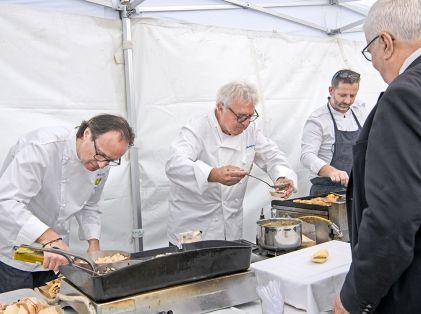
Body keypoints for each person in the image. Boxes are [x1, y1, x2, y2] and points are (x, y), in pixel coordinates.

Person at [333, 0, 421, 313]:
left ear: (385, 42)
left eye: (369, 51)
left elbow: (392, 220)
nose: (372, 63)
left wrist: (354, 298)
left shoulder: (405, 94)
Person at [0, 114, 135, 292]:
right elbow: (7, 201)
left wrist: (94, 246)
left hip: (55, 255)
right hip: (15, 251)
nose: (102, 165)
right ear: (87, 133)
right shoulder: (41, 147)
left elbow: (90, 205)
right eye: (101, 155)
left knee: (53, 306)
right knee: (16, 307)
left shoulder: (101, 165)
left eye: (110, 160)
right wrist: (49, 237)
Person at [165, 81, 297, 245]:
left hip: (231, 227)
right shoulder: (197, 127)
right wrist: (213, 174)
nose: (246, 123)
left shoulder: (250, 130)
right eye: (240, 116)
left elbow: (272, 156)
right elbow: (174, 165)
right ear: (221, 108)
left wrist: (281, 177)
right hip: (193, 226)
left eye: (250, 116)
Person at [301, 69, 367, 196]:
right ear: (331, 90)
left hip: (355, 191)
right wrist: (331, 171)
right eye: (342, 95)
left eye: (352, 96)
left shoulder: (360, 112)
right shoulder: (317, 120)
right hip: (325, 193)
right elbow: (307, 156)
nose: (347, 101)